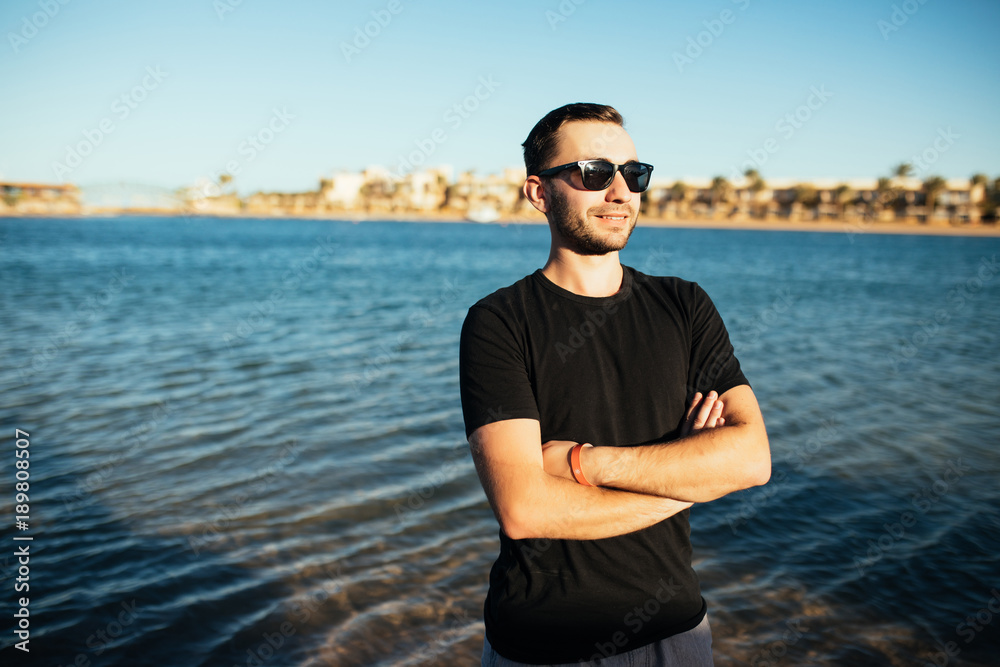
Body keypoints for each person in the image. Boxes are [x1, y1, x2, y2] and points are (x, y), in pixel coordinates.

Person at [459, 102, 771, 666]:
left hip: (678, 632)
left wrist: (582, 463)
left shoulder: (685, 304)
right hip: (544, 643)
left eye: (634, 173)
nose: (620, 191)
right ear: (539, 192)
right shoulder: (499, 322)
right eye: (594, 173)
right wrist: (692, 472)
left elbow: (751, 459)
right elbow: (525, 509)